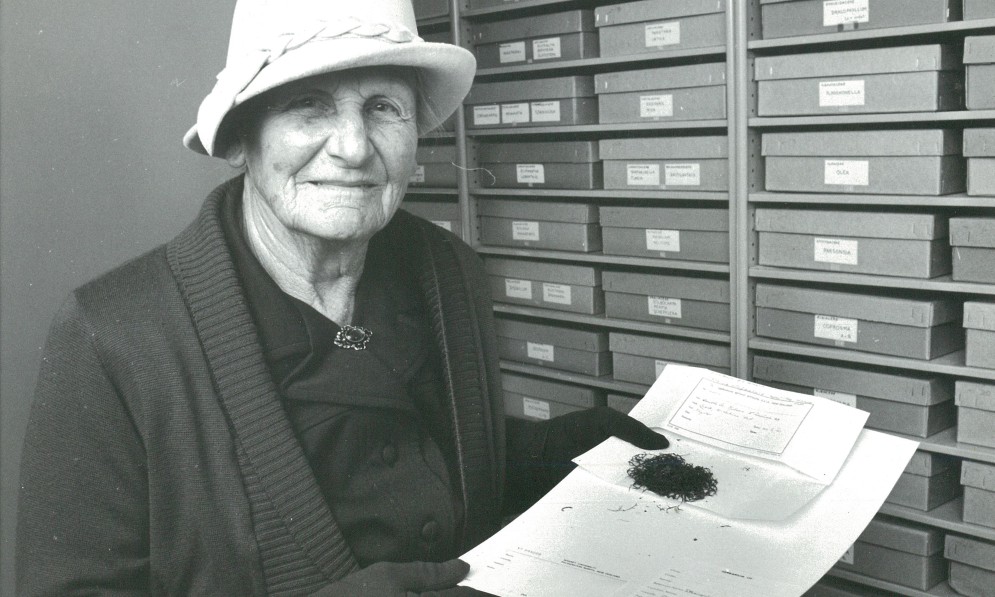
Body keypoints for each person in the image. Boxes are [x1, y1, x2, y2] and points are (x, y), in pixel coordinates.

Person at [16, 0, 669, 595]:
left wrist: (559, 447)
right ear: (243, 138)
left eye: (383, 107)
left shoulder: (447, 273)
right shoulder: (114, 335)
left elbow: (425, 458)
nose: (354, 147)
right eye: (310, 105)